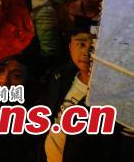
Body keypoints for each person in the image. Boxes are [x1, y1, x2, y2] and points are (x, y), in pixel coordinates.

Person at [40, 30, 129, 161]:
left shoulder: (119, 95)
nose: (87, 53)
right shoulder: (60, 77)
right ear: (70, 46)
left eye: (95, 46)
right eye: (81, 44)